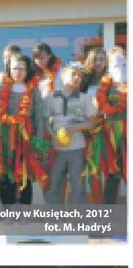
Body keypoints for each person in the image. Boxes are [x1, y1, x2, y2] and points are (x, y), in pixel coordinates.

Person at [0, 54, 48, 206]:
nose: (18, 72)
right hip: (5, 138)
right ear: (9, 69)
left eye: (22, 68)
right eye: (15, 68)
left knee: (25, 174)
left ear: (27, 70)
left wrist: (39, 137)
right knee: (5, 174)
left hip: (26, 137)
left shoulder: (33, 90)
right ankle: (7, 211)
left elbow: (39, 114)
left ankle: (24, 211)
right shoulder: (1, 89)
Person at [44, 61, 98, 206]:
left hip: (77, 150)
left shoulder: (85, 98)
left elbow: (92, 123)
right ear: (62, 75)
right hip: (56, 150)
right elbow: (44, 121)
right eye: (73, 74)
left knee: (78, 185)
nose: (77, 78)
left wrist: (75, 128)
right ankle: (53, 217)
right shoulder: (51, 97)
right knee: (54, 184)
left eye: (80, 76)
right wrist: (52, 134)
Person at [87, 46, 126, 205]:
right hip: (110, 136)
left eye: (124, 64)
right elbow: (97, 109)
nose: (121, 68)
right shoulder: (104, 86)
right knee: (112, 174)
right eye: (117, 65)